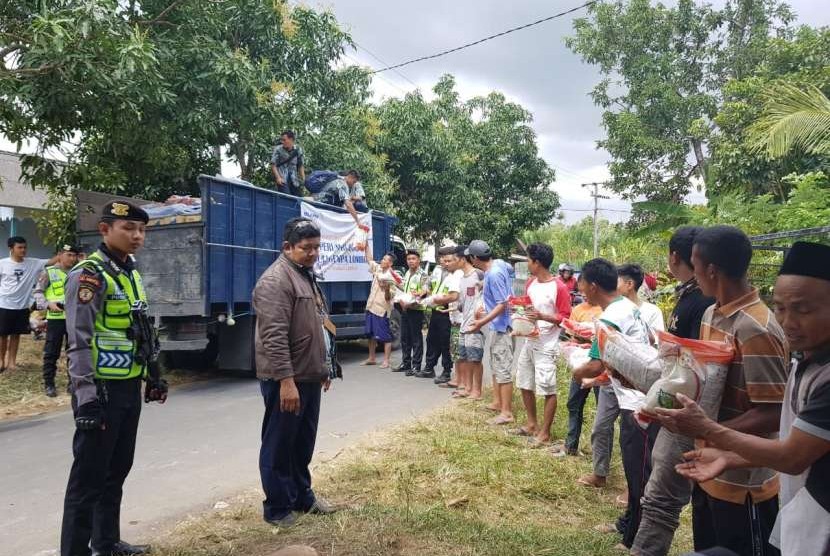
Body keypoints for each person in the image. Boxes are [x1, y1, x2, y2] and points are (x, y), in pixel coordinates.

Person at [659, 241, 830, 556]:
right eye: (780, 307)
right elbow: (800, 444)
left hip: (766, 496)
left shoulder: (759, 330)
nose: (788, 322)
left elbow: (791, 453)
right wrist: (726, 455)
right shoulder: (806, 361)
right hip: (798, 515)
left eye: (803, 310)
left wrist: (708, 430)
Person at [666, 225, 789, 556]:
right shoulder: (711, 313)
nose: (692, 274)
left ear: (710, 270)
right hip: (708, 469)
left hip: (744, 481)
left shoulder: (755, 327)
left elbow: (775, 411)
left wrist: (711, 431)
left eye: (694, 264)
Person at [60, 201, 167, 556]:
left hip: (128, 386)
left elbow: (139, 330)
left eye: (141, 230)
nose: (137, 236)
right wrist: (86, 396)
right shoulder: (89, 275)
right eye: (128, 228)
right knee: (88, 480)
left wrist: (154, 375)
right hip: (100, 391)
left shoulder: (130, 273)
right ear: (105, 230)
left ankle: (106, 543)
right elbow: (78, 340)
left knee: (116, 470)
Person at [632, 226, 715, 556]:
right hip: (686, 410)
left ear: (677, 257)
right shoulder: (696, 297)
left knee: (661, 500)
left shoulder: (702, 301)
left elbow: (690, 366)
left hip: (687, 412)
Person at [253, 217, 337, 528]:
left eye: (317, 247)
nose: (313, 253)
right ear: (287, 247)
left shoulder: (305, 275)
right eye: (306, 248)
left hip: (309, 375)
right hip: (287, 379)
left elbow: (318, 324)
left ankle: (302, 496)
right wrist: (286, 382)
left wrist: (324, 366)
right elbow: (273, 337)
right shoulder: (276, 280)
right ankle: (276, 507)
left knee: (302, 442)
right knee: (279, 444)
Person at [572, 258, 658, 550]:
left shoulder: (609, 319)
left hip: (639, 405)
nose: (580, 290)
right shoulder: (628, 307)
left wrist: (575, 368)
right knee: (636, 470)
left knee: (639, 474)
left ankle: (634, 537)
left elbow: (594, 364)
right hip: (637, 397)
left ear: (593, 286)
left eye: (581, 284)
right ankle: (628, 523)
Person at [513, 243, 562, 446]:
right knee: (524, 381)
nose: (527, 264)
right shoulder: (531, 283)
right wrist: (520, 323)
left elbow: (565, 317)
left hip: (547, 344)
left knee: (547, 387)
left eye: (529, 260)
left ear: (537, 262)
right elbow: (526, 309)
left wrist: (543, 317)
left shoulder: (559, 287)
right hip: (530, 340)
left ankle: (545, 432)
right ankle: (532, 423)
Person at [467, 240, 516, 425]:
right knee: (495, 363)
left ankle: (506, 412)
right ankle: (497, 402)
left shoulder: (494, 274)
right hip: (498, 325)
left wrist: (481, 322)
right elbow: (509, 272)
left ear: (474, 258)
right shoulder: (499, 265)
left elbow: (502, 304)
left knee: (502, 368)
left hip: (502, 326)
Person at [553, 282, 602, 458]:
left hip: (598, 364)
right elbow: (571, 334)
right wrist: (575, 340)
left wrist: (591, 340)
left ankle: (599, 453)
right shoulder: (579, 309)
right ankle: (570, 445)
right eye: (581, 292)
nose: (584, 295)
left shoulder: (604, 310)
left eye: (586, 291)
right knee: (574, 403)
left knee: (602, 408)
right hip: (581, 363)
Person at [0, 237, 59, 373]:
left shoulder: (33, 263)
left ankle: (12, 363)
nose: (23, 250)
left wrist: (64, 251)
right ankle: (1, 361)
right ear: (11, 249)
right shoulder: (2, 264)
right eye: (19, 248)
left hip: (21, 306)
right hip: (4, 305)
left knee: (16, 334)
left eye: (25, 247)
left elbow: (51, 261)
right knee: (2, 335)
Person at [34, 244, 80, 397]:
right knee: (51, 353)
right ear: (60, 254)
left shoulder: (79, 272)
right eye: (69, 255)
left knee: (73, 353)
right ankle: (49, 384)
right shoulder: (49, 272)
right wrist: (48, 304)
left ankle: (72, 383)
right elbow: (38, 293)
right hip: (55, 319)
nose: (72, 259)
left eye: (74, 256)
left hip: (74, 318)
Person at [419, 246, 462, 380]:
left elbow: (455, 295)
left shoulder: (457, 274)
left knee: (445, 342)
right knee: (431, 340)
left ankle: (446, 371)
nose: (443, 261)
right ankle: (429, 368)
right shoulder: (437, 270)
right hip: (435, 309)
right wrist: (426, 292)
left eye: (447, 258)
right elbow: (429, 284)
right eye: (441, 258)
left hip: (447, 310)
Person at [451, 246, 486, 399]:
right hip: (464, 323)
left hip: (475, 324)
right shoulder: (463, 278)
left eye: (454, 259)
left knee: (475, 358)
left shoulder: (478, 275)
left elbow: (487, 295)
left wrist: (482, 312)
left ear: (463, 259)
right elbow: (464, 301)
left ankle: (477, 391)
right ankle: (467, 387)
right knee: (464, 357)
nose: (452, 262)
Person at [363, 242, 400, 369]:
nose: (382, 260)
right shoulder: (378, 268)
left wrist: (387, 289)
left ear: (390, 263)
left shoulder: (392, 278)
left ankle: (386, 360)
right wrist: (366, 244)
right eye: (383, 258)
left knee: (385, 336)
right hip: (371, 306)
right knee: (370, 334)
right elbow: (369, 259)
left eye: (385, 259)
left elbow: (389, 298)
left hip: (381, 310)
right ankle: (371, 358)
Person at [394, 249, 429, 375]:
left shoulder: (422, 275)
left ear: (418, 260)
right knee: (405, 338)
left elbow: (425, 290)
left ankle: (416, 365)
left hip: (416, 310)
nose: (411, 261)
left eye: (413, 259)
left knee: (416, 339)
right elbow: (404, 288)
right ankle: (406, 363)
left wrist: (419, 294)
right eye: (409, 259)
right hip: (405, 308)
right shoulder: (408, 273)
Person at [617, 263, 666, 332]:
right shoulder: (611, 310)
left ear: (630, 284)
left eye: (616, 282)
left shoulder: (653, 312)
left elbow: (657, 339)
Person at [270, 130, 305, 196]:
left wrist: (303, 180)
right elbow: (273, 164)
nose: (282, 142)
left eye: (284, 140)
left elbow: (300, 166)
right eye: (282, 140)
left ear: (291, 139)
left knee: (299, 200)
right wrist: (278, 178)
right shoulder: (278, 149)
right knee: (287, 197)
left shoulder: (298, 150)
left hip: (294, 179)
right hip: (282, 178)